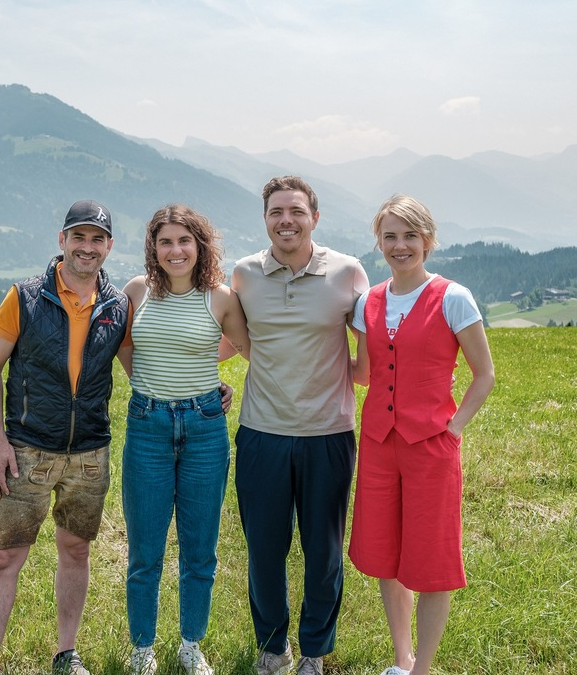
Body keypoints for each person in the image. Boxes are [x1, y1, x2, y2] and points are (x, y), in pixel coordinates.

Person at [0, 199, 129, 675]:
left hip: (89, 455)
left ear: (108, 247)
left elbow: (142, 369)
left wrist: (207, 384)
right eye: (78, 237)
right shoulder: (25, 297)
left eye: (97, 238)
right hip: (27, 451)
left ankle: (66, 653)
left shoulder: (118, 306)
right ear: (61, 241)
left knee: (76, 550)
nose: (87, 247)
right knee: (4, 558)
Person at [348, 195, 495, 675]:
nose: (400, 245)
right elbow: (364, 373)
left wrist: (452, 431)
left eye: (410, 235)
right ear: (379, 243)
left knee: (431, 560)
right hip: (377, 446)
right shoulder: (368, 302)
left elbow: (484, 375)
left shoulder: (453, 297)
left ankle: (423, 669)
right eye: (390, 236)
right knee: (386, 555)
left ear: (427, 241)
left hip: (431, 447)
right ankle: (401, 658)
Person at [229, 176, 369, 675]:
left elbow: (369, 356)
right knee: (264, 549)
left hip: (328, 434)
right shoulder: (244, 275)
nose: (285, 220)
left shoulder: (348, 273)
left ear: (314, 216)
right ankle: (272, 647)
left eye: (295, 211)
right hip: (261, 434)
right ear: (265, 218)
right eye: (275, 212)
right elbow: (233, 343)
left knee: (324, 551)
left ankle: (314, 650)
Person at [115, 205, 250, 675]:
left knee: (199, 548)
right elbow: (125, 345)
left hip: (204, 429)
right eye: (165, 241)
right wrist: (145, 386)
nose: (175, 250)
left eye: (184, 241)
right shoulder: (137, 291)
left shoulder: (221, 298)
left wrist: (210, 377)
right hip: (147, 425)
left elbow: (240, 345)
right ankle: (141, 649)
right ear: (154, 247)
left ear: (200, 245)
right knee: (145, 549)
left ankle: (191, 645)